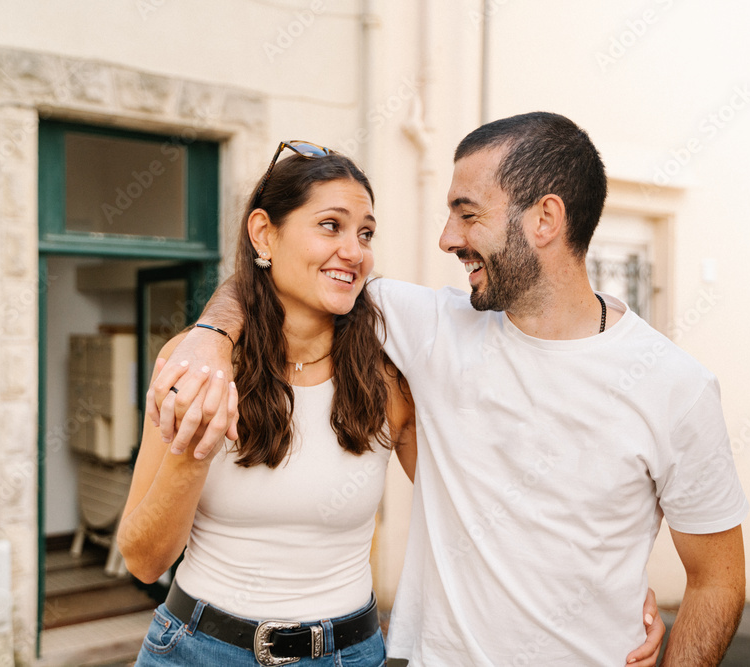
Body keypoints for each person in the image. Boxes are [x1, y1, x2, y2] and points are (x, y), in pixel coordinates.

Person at [150, 119, 704, 665]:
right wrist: (212, 334)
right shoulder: (421, 323)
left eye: (467, 214)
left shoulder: (671, 383)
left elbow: (544, 524)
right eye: (332, 226)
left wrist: (614, 600)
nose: (446, 238)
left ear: (545, 219)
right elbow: (271, 280)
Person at [118, 144, 420, 666]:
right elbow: (144, 560)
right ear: (264, 233)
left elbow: (466, 505)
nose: (354, 251)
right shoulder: (197, 364)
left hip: (347, 654)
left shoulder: (387, 379)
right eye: (331, 225)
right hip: (199, 650)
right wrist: (194, 448)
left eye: (365, 233)